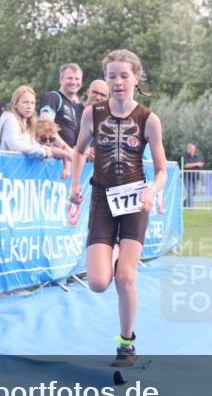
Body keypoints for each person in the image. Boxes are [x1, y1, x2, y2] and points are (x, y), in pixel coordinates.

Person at [69, 49, 167, 368]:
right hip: (101, 200)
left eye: (124, 75)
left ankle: (126, 343)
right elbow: (79, 151)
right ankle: (110, 253)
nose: (118, 81)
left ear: (136, 78)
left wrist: (152, 190)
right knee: (98, 283)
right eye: (112, 75)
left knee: (125, 278)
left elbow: (162, 169)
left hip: (135, 201)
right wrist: (74, 187)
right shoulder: (91, 114)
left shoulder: (149, 120)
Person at [0, 85, 72, 173]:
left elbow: (31, 145)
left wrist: (44, 148)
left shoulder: (27, 122)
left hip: (17, 171)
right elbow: (15, 146)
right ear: (15, 104)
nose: (29, 106)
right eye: (25, 102)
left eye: (32, 103)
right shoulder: (11, 119)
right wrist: (43, 151)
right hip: (7, 171)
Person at [39, 63, 84, 147]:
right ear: (61, 80)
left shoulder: (73, 106)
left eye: (77, 79)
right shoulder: (53, 97)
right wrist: (66, 150)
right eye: (69, 78)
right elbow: (45, 126)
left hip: (68, 157)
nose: (74, 82)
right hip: (54, 157)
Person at [182, 143, 204, 207]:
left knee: (193, 192)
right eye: (191, 149)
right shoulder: (185, 156)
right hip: (187, 177)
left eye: (194, 149)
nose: (193, 150)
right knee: (190, 191)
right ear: (188, 149)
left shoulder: (197, 156)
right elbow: (185, 165)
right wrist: (196, 164)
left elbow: (200, 163)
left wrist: (199, 164)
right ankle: (190, 206)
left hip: (195, 177)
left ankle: (185, 202)